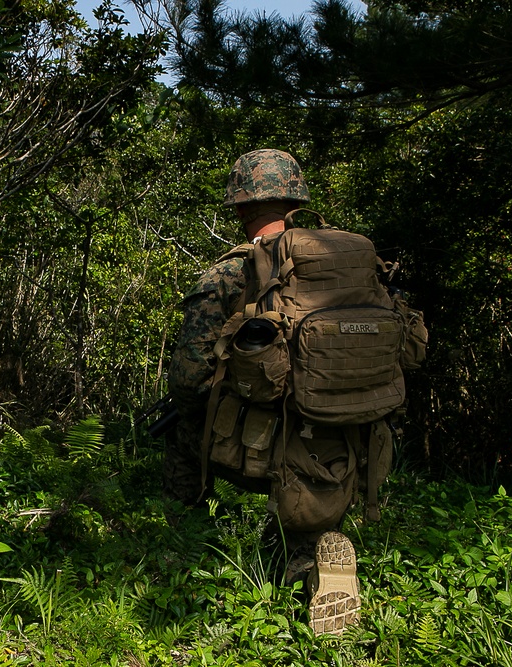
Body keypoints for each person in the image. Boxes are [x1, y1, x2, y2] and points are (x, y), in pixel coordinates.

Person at [164, 148, 364, 635]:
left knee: (180, 427)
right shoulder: (345, 264)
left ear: (239, 207)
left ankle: (181, 546)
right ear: (297, 198)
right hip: (347, 437)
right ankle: (308, 555)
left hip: (265, 442)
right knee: (304, 466)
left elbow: (188, 379)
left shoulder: (231, 272)